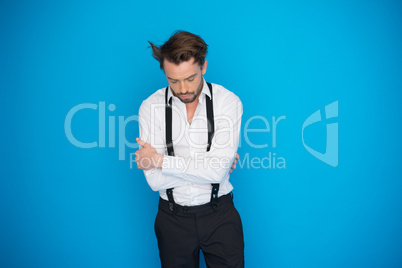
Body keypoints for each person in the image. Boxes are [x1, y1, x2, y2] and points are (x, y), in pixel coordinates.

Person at [134, 31, 244, 267]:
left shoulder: (228, 102)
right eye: (173, 80)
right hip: (172, 220)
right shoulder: (150, 107)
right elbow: (154, 181)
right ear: (164, 73)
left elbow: (216, 173)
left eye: (190, 78)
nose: (182, 88)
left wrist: (160, 160)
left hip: (220, 217)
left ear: (203, 67)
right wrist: (208, 165)